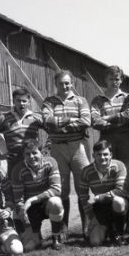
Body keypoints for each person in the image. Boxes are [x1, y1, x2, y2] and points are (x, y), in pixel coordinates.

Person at [41, 70, 91, 239]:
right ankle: (63, 229)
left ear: (72, 84)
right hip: (58, 148)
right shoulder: (49, 101)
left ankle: (87, 227)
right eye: (61, 83)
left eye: (67, 83)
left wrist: (60, 126)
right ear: (56, 84)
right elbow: (47, 121)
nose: (64, 86)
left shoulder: (80, 100)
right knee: (61, 189)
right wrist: (70, 120)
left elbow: (86, 121)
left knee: (82, 186)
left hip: (78, 147)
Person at [11, 140, 64, 251]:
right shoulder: (17, 170)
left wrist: (33, 199)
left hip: (45, 203)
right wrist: (26, 220)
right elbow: (18, 200)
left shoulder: (51, 162)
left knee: (56, 202)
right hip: (29, 209)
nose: (31, 157)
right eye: (27, 154)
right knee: (28, 247)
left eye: (34, 153)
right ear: (23, 155)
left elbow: (56, 189)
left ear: (41, 153)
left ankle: (56, 237)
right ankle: (35, 235)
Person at [90, 65, 129, 193]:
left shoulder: (127, 98)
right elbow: (95, 121)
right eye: (111, 79)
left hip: (124, 138)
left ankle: (127, 203)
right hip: (106, 138)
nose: (114, 82)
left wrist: (106, 118)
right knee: (108, 170)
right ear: (105, 80)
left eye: (117, 79)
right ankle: (109, 201)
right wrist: (117, 119)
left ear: (121, 80)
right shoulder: (98, 100)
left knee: (126, 173)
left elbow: (128, 116)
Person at [78, 140, 129, 247]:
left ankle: (119, 234)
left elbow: (120, 190)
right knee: (95, 242)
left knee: (118, 201)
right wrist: (92, 217)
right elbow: (83, 196)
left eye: (105, 154)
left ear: (111, 155)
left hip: (118, 204)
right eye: (99, 154)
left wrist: (98, 197)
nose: (102, 157)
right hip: (101, 208)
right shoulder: (86, 171)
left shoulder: (119, 165)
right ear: (93, 156)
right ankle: (108, 229)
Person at [0, 88, 43, 175]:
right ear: (13, 101)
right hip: (14, 161)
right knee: (14, 182)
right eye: (18, 101)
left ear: (29, 102)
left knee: (34, 182)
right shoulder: (4, 119)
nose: (21, 103)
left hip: (32, 159)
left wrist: (45, 149)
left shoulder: (36, 118)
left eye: (24, 101)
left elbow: (53, 131)